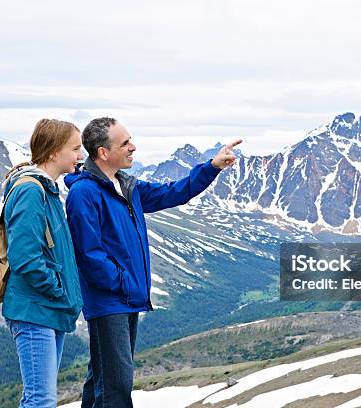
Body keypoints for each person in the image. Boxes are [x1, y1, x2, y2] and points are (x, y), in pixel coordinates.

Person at [64, 117, 240, 407]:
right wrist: (123, 284)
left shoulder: (126, 185)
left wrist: (212, 167)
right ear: (103, 153)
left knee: (102, 382)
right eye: (125, 143)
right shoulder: (85, 193)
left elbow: (174, 192)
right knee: (116, 388)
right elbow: (89, 254)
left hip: (125, 299)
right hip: (110, 302)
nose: (133, 147)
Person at [2, 118, 84, 407]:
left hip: (46, 309)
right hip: (35, 309)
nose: (80, 155)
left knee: (37, 398)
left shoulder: (45, 189)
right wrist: (57, 289)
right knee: (41, 401)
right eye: (75, 148)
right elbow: (25, 257)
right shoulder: (31, 191)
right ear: (52, 152)